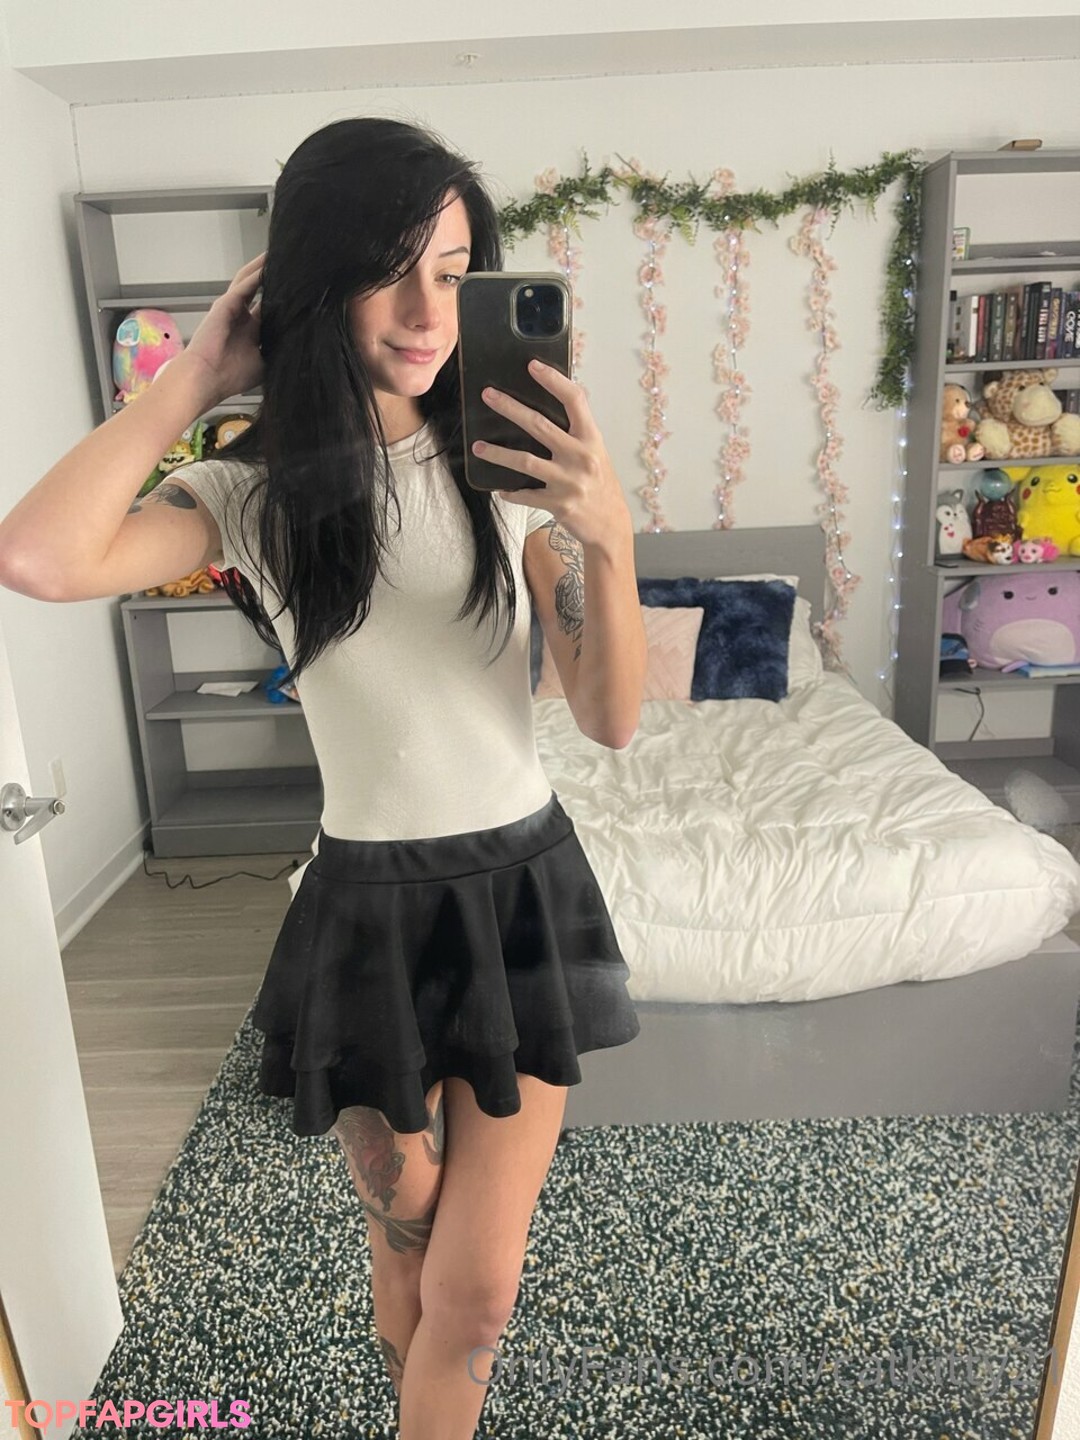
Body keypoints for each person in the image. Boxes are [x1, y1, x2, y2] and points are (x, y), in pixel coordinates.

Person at [0, 116, 647, 1438]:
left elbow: (614, 716)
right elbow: (38, 558)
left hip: (524, 899)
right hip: (366, 915)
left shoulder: (511, 471)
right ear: (314, 280)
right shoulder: (254, 497)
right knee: (409, 1257)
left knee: (476, 1296)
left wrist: (609, 536)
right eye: (388, 271)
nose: (427, 312)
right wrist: (192, 379)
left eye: (452, 272)